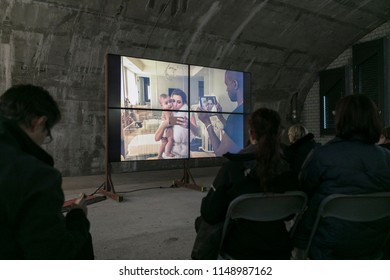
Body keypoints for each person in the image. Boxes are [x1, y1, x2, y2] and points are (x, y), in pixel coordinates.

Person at [0, 84, 94, 259]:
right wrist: (78, 216)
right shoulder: (34, 174)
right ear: (39, 122)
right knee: (81, 239)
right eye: (47, 133)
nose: (44, 140)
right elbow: (56, 253)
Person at [294, 94, 390, 259]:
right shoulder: (386, 158)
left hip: (327, 247)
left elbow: (304, 188)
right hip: (375, 246)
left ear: (341, 120)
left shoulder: (323, 155)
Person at [195, 108, 298, 259]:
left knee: (202, 222)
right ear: (280, 134)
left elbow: (210, 214)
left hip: (241, 249)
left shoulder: (232, 168)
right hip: (280, 248)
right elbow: (290, 214)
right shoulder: (289, 170)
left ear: (251, 134)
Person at [197, 70, 244, 156]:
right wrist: (221, 117)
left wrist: (207, 122)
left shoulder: (236, 116)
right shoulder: (245, 110)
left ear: (235, 84)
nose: (226, 89)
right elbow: (235, 133)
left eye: (227, 84)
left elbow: (220, 154)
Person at [157, 93, 174, 158]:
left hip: (163, 129)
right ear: (162, 105)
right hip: (167, 129)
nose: (169, 104)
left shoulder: (165, 110)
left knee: (164, 143)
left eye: (170, 101)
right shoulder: (167, 111)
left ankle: (159, 155)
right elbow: (169, 121)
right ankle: (167, 152)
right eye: (166, 103)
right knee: (170, 140)